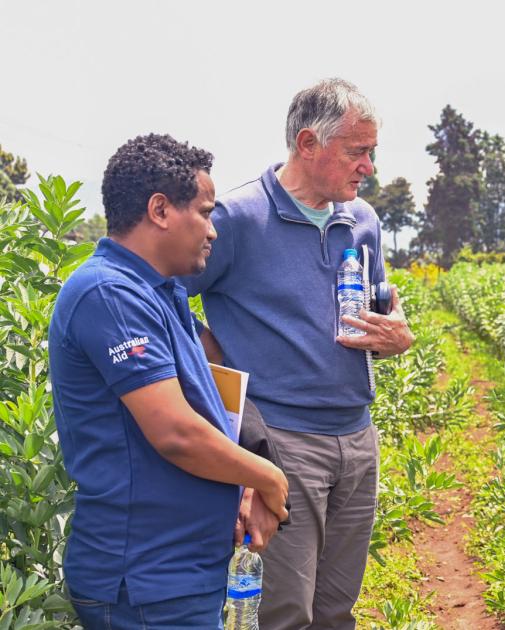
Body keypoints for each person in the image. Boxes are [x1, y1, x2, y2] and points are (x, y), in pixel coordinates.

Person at [183, 78, 414, 629]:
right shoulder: (237, 219)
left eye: (372, 153)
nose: (369, 167)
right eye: (358, 152)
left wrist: (395, 338)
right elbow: (163, 295)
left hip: (358, 437)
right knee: (284, 610)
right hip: (282, 442)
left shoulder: (363, 221)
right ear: (308, 144)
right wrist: (212, 354)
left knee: (337, 607)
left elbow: (375, 313)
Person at [49, 133, 290, 628]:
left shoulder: (162, 292)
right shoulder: (110, 293)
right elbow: (177, 434)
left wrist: (245, 478)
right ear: (160, 210)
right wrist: (266, 477)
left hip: (179, 575)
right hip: (143, 580)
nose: (213, 231)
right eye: (204, 212)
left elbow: (210, 399)